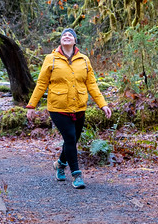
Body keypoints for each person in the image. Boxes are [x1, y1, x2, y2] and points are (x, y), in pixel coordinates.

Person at [26, 28, 112, 189]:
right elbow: (41, 84)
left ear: (75, 41)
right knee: (71, 138)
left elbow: (91, 84)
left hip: (79, 107)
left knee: (72, 140)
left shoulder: (84, 60)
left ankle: (59, 164)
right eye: (64, 35)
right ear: (60, 40)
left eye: (70, 35)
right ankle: (76, 175)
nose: (67, 36)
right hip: (58, 107)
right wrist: (31, 105)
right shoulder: (51, 59)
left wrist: (103, 104)